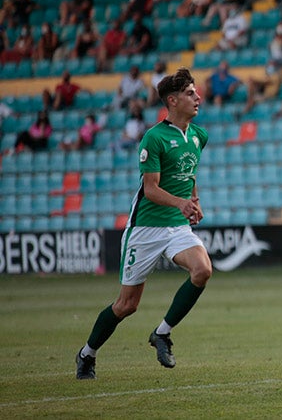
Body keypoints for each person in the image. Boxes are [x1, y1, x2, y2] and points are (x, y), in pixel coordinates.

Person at [75, 68, 211, 379]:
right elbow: (150, 189)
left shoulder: (198, 136)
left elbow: (189, 176)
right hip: (145, 229)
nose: (197, 97)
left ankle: (162, 333)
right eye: (191, 93)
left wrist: (195, 202)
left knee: (202, 270)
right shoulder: (154, 137)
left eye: (196, 92)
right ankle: (87, 354)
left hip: (177, 226)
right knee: (126, 305)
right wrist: (182, 203)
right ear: (172, 101)